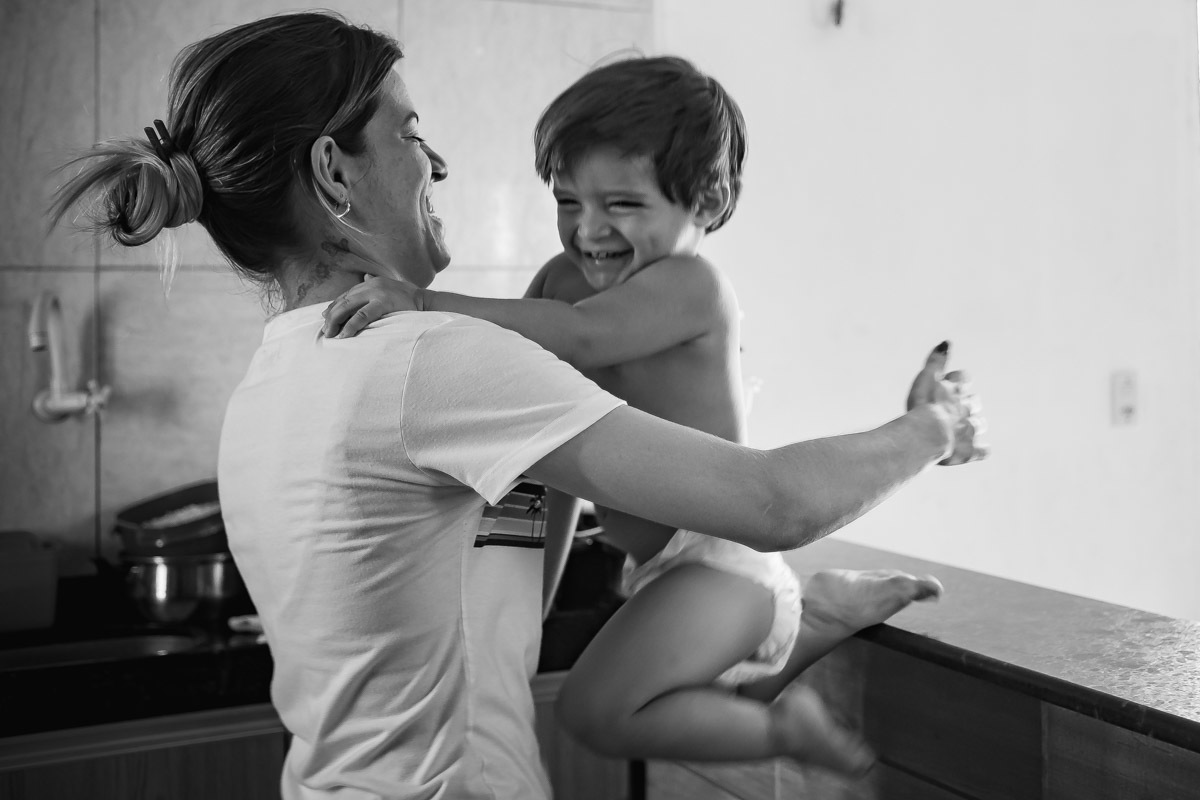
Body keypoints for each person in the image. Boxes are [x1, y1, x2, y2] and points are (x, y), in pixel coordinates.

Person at [48, 12, 986, 800]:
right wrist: (932, 430)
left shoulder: (276, 381)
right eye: (412, 133)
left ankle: (802, 628)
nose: (438, 163)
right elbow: (777, 502)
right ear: (334, 173)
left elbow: (533, 486)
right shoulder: (426, 360)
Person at [320, 54, 979, 772]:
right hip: (657, 569)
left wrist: (421, 302)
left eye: (623, 205)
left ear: (705, 200)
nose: (589, 229)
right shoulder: (559, 284)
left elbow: (588, 336)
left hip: (725, 565)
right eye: (569, 200)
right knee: (654, 704)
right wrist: (532, 601)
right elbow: (546, 458)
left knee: (597, 711)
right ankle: (816, 618)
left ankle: (790, 727)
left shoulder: (691, 287)